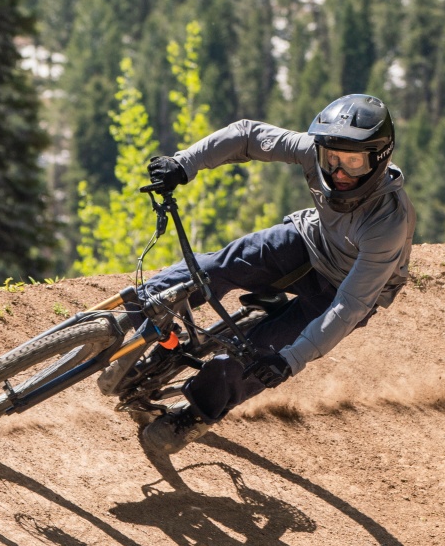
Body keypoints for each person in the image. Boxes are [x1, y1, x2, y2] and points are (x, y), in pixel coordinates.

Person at [134, 93, 416, 463]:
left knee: (255, 360)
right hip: (308, 241)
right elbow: (248, 136)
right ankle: (141, 313)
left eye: (353, 161)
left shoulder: (388, 222)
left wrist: (291, 360)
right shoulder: (316, 152)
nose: (338, 171)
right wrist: (184, 164)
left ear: (379, 158)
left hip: (342, 290)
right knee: (219, 266)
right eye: (331, 158)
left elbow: (350, 305)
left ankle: (193, 416)